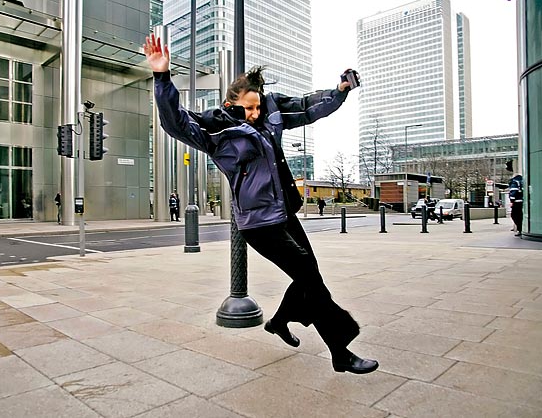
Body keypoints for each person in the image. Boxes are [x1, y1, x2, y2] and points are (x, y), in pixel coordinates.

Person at [144, 34, 377, 374]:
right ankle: (341, 351)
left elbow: (307, 106)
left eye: (257, 107)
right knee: (312, 281)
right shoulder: (216, 128)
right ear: (230, 104)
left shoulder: (270, 114)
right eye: (247, 108)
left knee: (308, 277)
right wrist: (162, 76)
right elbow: (175, 121)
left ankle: (280, 321)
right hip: (259, 224)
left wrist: (339, 91)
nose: (254, 114)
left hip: (285, 214)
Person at [506, 161, 523, 237]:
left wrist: (512, 200)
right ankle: (521, 229)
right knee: (520, 215)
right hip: (522, 200)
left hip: (517, 201)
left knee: (514, 215)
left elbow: (513, 191)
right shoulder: (522, 180)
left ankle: (520, 229)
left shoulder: (514, 181)